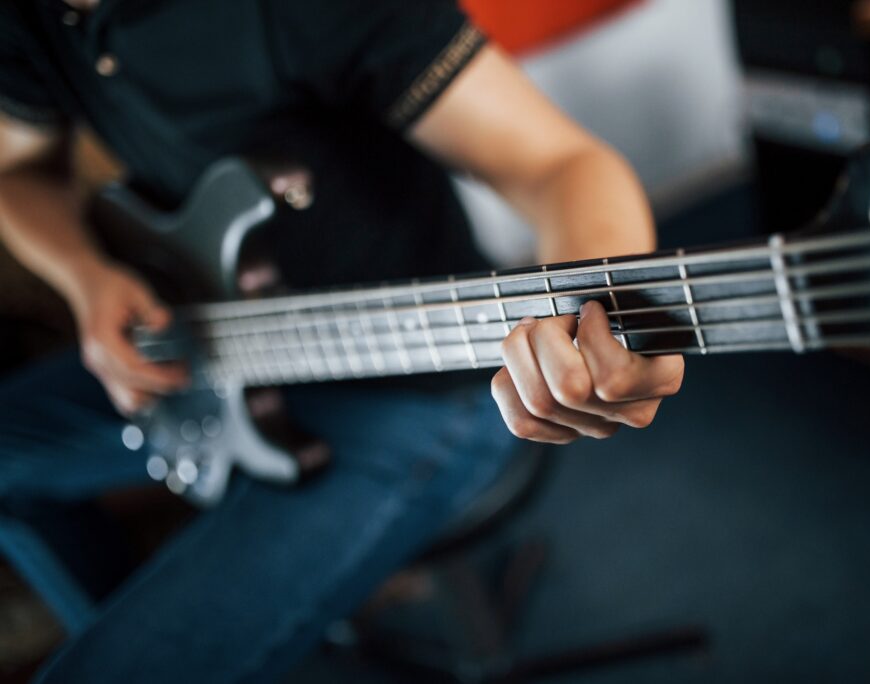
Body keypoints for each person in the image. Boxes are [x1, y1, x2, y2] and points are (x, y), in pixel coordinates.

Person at [0, 0, 685, 679]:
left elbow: (561, 163)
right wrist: (84, 274)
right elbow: (15, 170)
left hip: (416, 388)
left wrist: (585, 320)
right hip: (196, 343)